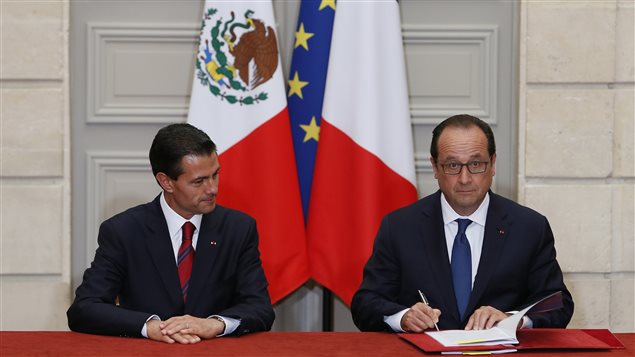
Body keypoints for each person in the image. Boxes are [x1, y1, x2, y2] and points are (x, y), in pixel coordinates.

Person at [351, 114, 574, 333]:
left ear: (493, 164)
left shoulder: (529, 227)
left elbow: (558, 303)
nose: (465, 178)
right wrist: (404, 317)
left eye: (476, 164)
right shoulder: (400, 227)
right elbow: (365, 303)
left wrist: (513, 320)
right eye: (452, 165)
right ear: (435, 168)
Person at [68, 123, 274, 343]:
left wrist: (214, 324)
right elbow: (84, 308)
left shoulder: (238, 229)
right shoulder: (124, 231)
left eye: (215, 175)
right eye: (199, 181)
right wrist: (152, 327)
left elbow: (260, 308)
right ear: (166, 182)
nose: (212, 188)